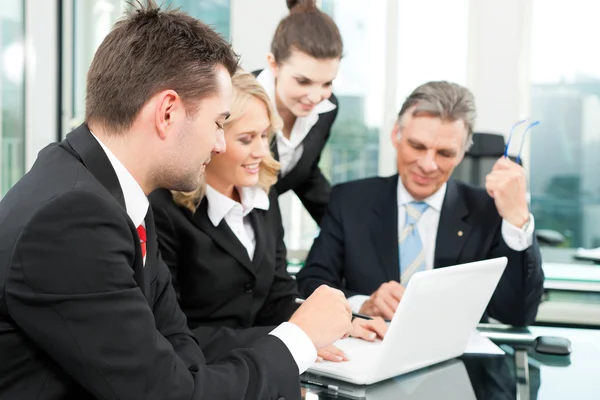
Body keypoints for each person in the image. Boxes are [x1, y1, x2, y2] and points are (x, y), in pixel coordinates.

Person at [0, 3, 354, 400]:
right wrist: (298, 339)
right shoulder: (70, 218)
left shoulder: (118, 195)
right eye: (219, 122)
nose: (220, 143)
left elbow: (180, 353)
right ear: (168, 112)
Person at [149, 70, 387, 364]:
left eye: (264, 135)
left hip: (265, 370)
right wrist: (291, 338)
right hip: (204, 376)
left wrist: (340, 327)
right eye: (247, 139)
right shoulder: (162, 210)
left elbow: (279, 295)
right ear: (213, 139)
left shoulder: (264, 194)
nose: (262, 151)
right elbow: (172, 334)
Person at [296, 81, 545, 327]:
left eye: (445, 153)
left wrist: (517, 218)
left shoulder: (487, 211)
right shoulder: (350, 201)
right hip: (368, 352)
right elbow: (311, 283)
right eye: (417, 146)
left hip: (460, 362)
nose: (427, 165)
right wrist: (362, 305)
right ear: (396, 135)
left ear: (461, 154)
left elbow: (518, 314)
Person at [254, 0, 343, 224]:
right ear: (273, 64)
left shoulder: (326, 109)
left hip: (266, 234)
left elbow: (305, 172)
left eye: (327, 83)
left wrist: (343, 230)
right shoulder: (234, 99)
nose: (315, 97)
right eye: (303, 81)